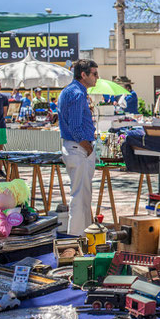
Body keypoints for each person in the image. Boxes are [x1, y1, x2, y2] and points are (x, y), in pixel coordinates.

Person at [58, 59, 98, 236]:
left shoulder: (71, 91)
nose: (97, 77)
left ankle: (84, 238)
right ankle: (76, 239)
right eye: (94, 74)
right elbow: (75, 127)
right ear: (84, 75)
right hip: (78, 148)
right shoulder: (76, 93)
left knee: (82, 198)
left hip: (75, 148)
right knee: (79, 198)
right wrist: (87, 147)